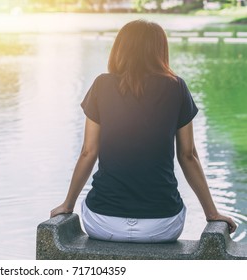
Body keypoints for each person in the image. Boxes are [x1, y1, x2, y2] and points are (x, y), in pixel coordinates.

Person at [50, 19, 237, 243]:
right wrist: (212, 213)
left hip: (102, 221)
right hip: (162, 225)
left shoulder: (101, 85)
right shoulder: (177, 87)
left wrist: (67, 205)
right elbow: (188, 155)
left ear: (120, 48)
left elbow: (88, 152)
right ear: (160, 51)